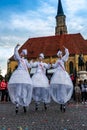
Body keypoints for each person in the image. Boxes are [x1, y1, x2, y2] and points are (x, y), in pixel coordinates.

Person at [8, 44, 33, 114]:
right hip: (19, 75)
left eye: (22, 53)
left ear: (24, 55)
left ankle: (24, 103)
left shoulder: (25, 61)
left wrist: (31, 63)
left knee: (24, 90)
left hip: (24, 76)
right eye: (21, 53)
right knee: (19, 90)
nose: (21, 53)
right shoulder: (19, 59)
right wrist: (16, 48)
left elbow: (29, 66)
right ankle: (17, 104)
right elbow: (16, 54)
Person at [50, 46, 73, 112]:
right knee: (59, 91)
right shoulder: (57, 61)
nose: (60, 55)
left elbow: (67, 54)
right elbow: (55, 66)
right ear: (58, 55)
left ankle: (64, 103)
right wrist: (51, 65)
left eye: (61, 54)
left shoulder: (63, 59)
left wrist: (66, 49)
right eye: (59, 54)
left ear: (61, 55)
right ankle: (61, 103)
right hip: (58, 75)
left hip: (63, 74)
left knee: (63, 90)